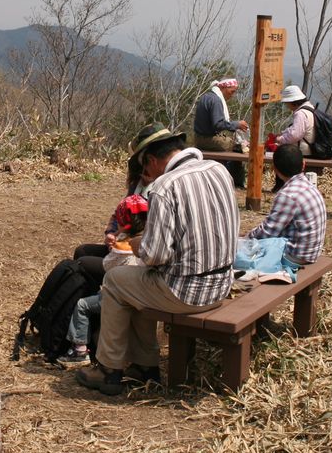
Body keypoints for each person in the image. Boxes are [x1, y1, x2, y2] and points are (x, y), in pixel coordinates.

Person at [76, 126, 239, 396]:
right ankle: (144, 366)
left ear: (151, 160)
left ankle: (108, 369)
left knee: (116, 280)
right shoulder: (218, 170)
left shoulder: (165, 187)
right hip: (222, 285)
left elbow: (155, 255)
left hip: (187, 293)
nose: (146, 176)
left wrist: (139, 244)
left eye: (145, 169)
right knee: (137, 284)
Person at [59, 195, 149, 365]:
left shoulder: (122, 247)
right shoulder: (149, 240)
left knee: (82, 305)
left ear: (122, 222)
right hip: (142, 293)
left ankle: (79, 351)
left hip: (119, 295)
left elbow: (107, 265)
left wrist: (113, 245)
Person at [71, 124, 159, 283]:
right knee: (82, 251)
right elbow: (120, 214)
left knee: (82, 264)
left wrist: (124, 239)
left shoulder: (161, 190)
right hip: (122, 244)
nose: (143, 170)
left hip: (135, 255)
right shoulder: (136, 185)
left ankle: (95, 300)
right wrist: (111, 234)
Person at [245, 144, 326, 266]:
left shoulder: (288, 195)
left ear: (275, 169)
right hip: (311, 252)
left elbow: (267, 233)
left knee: (242, 254)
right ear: (303, 164)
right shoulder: (309, 186)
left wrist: (246, 239)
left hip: (295, 256)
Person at [193, 77, 249, 189]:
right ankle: (236, 181)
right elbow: (218, 124)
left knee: (237, 146)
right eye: (232, 91)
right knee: (240, 148)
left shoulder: (206, 97)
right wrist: (237, 124)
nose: (232, 95)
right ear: (223, 87)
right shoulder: (216, 100)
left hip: (199, 138)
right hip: (208, 140)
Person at [272, 85, 316, 190]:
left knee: (281, 155)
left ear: (293, 101)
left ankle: (280, 186)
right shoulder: (310, 109)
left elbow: (295, 135)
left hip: (304, 150)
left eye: (287, 103)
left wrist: (279, 139)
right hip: (311, 147)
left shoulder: (300, 113)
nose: (287, 106)